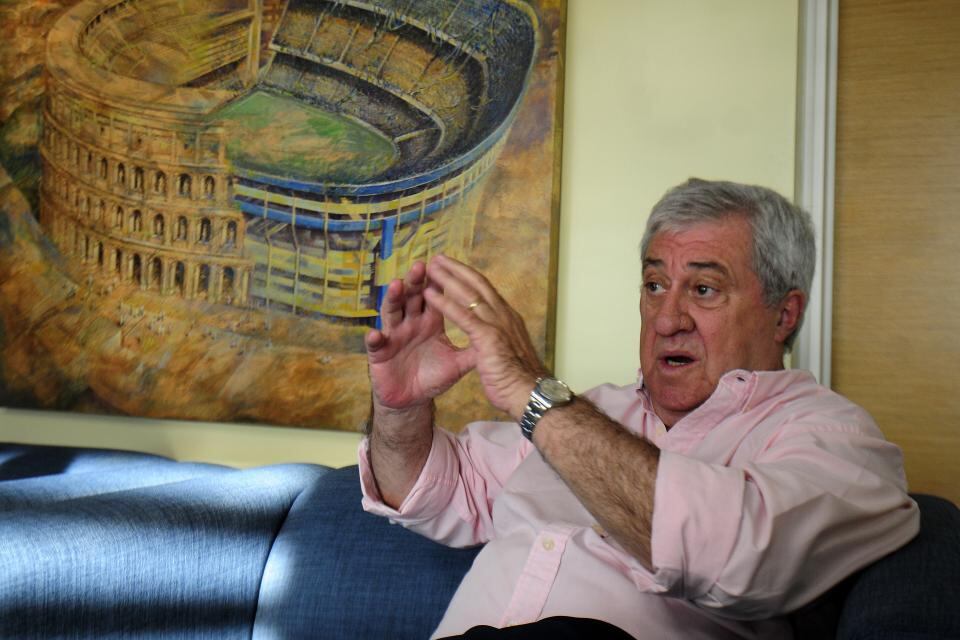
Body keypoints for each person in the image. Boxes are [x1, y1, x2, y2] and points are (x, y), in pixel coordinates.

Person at [358, 178, 920, 639]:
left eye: (703, 289)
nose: (667, 319)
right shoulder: (591, 411)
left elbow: (738, 559)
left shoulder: (835, 437)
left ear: (784, 314)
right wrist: (400, 407)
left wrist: (536, 394)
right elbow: (432, 488)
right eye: (654, 285)